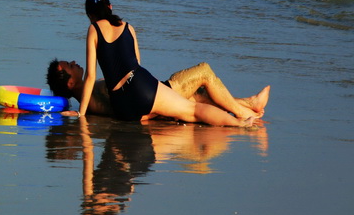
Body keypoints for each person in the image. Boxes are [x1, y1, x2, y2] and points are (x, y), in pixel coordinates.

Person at [68, 0, 263, 126]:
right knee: (192, 111)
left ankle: (245, 109)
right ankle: (240, 124)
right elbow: (136, 63)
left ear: (90, 15)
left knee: (191, 104)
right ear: (110, 6)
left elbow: (91, 76)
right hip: (140, 87)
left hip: (124, 108)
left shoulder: (93, 29)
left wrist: (81, 114)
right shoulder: (128, 28)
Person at [47, 59, 270, 120]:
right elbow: (120, 107)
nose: (75, 62)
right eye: (69, 65)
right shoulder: (93, 95)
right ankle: (245, 111)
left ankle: (249, 104)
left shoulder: (89, 95)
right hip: (162, 93)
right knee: (204, 72)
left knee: (200, 98)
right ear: (69, 83)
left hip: (158, 94)